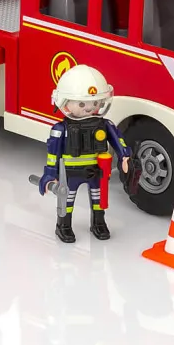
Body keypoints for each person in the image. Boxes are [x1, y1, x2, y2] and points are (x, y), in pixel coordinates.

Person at [38, 65, 131, 243]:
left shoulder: (105, 125)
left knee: (98, 201)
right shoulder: (60, 129)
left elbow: (119, 142)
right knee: (67, 201)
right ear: (65, 102)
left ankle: (99, 223)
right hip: (70, 173)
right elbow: (53, 155)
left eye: (95, 103)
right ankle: (63, 225)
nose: (89, 108)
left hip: (97, 171)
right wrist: (50, 174)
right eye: (81, 104)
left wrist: (125, 157)